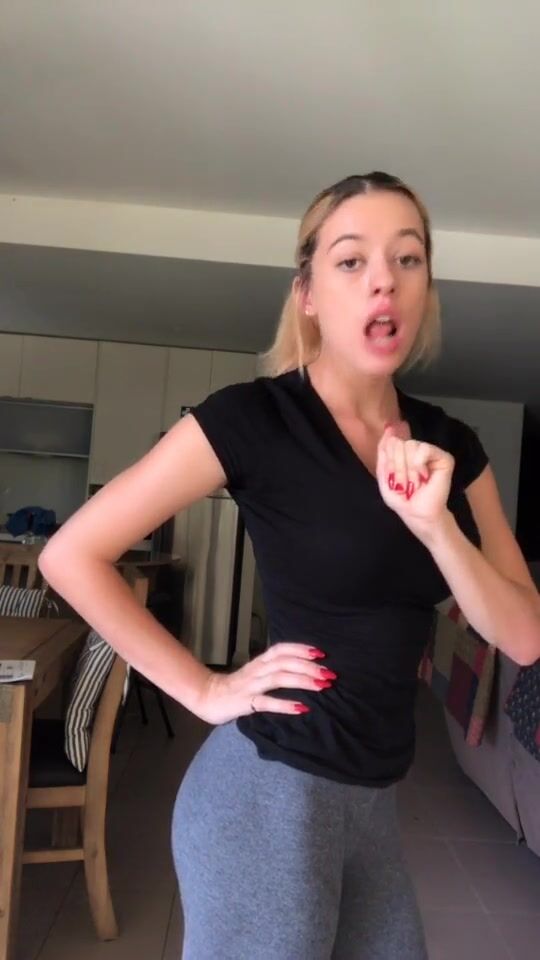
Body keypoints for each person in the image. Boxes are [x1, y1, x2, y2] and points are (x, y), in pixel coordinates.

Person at [39, 172, 540, 960]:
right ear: (308, 293)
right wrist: (203, 689)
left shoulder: (453, 447)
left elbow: (524, 636)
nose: (384, 279)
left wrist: (436, 527)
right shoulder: (255, 419)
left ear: (425, 290)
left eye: (408, 258)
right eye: (352, 260)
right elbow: (71, 555)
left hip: (372, 803)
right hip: (267, 793)